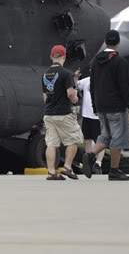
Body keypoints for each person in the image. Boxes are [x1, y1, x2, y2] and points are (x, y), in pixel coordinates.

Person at [83, 30, 129, 181]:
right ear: (118, 43)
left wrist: (94, 106)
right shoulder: (119, 61)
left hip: (101, 107)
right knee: (118, 138)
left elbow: (92, 86)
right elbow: (125, 87)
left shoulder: (95, 61)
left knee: (106, 135)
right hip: (116, 107)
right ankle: (114, 171)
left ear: (105, 42)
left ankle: (90, 155)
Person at [41, 45, 82, 180]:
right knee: (74, 139)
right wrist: (75, 99)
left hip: (49, 113)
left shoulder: (45, 74)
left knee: (51, 143)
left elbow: (45, 97)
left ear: (51, 57)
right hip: (63, 113)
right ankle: (67, 167)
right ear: (64, 56)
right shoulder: (65, 73)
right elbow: (70, 93)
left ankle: (52, 172)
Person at [75, 69, 104, 175]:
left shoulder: (105, 81)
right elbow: (77, 86)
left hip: (98, 117)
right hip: (86, 115)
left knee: (99, 141)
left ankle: (98, 163)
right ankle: (89, 163)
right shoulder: (87, 80)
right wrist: (75, 78)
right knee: (87, 140)